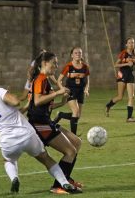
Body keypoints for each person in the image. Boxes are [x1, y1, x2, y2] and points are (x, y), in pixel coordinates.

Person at [0, 77, 81, 194]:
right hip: (27, 135)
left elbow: (9, 115)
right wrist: (9, 94)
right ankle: (64, 183)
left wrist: (28, 105)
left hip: (7, 142)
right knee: (46, 159)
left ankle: (14, 178)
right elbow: (16, 102)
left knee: (8, 160)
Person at [27, 51, 83, 194]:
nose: (56, 66)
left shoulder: (44, 80)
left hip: (46, 121)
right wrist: (58, 92)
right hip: (40, 124)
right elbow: (38, 101)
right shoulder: (40, 79)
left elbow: (48, 105)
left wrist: (62, 101)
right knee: (70, 151)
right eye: (54, 63)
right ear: (45, 63)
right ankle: (59, 185)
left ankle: (67, 179)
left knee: (76, 142)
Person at [105, 37, 135, 122]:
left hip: (130, 76)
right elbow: (115, 65)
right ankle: (108, 105)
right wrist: (127, 63)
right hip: (122, 75)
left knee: (132, 97)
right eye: (130, 43)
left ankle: (129, 118)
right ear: (126, 44)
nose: (131, 44)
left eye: (133, 43)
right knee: (120, 97)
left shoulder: (134, 54)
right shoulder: (123, 53)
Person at [54, 47, 90, 135]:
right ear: (72, 55)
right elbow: (59, 80)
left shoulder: (85, 67)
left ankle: (61, 115)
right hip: (71, 91)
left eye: (79, 53)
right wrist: (62, 89)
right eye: (76, 53)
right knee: (75, 112)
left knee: (77, 116)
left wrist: (86, 89)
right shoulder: (68, 66)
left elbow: (87, 79)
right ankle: (73, 136)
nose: (78, 54)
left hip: (80, 91)